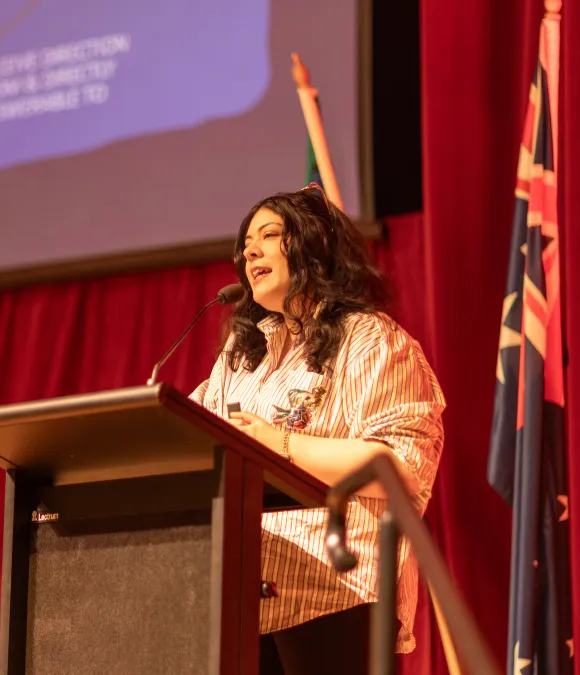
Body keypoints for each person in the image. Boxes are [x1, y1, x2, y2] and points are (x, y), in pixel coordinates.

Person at [189, 185, 446, 675]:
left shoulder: (370, 339)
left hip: (337, 592)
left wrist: (277, 443)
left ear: (312, 245)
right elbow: (194, 434)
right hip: (244, 597)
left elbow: (401, 467)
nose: (250, 252)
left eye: (269, 235)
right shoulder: (243, 355)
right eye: (246, 245)